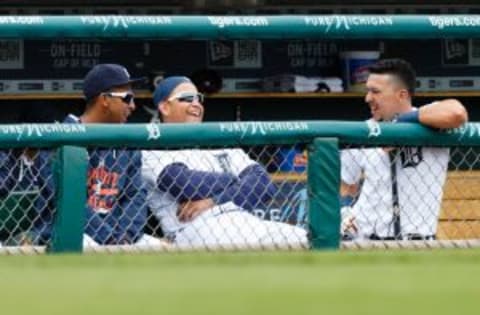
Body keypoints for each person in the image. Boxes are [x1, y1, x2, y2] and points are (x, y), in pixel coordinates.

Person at [142, 76, 308, 250]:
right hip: (192, 229)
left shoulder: (220, 145)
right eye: (187, 98)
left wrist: (213, 200)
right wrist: (237, 181)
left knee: (303, 239)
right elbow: (183, 183)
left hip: (244, 220)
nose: (196, 103)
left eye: (199, 98)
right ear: (165, 107)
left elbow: (264, 185)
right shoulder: (152, 151)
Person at [32, 63, 160, 247]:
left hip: (118, 236)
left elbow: (135, 195)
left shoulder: (126, 141)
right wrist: (108, 238)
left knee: (159, 250)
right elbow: (67, 201)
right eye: (127, 98)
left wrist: (127, 236)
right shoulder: (60, 138)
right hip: (66, 234)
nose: (133, 106)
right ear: (105, 100)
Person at [340, 58, 468, 241]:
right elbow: (346, 189)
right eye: (368, 90)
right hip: (365, 240)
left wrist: (401, 123)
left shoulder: (429, 119)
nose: (367, 98)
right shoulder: (362, 131)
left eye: (375, 92)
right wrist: (344, 213)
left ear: (401, 95)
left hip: (416, 242)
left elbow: (456, 113)